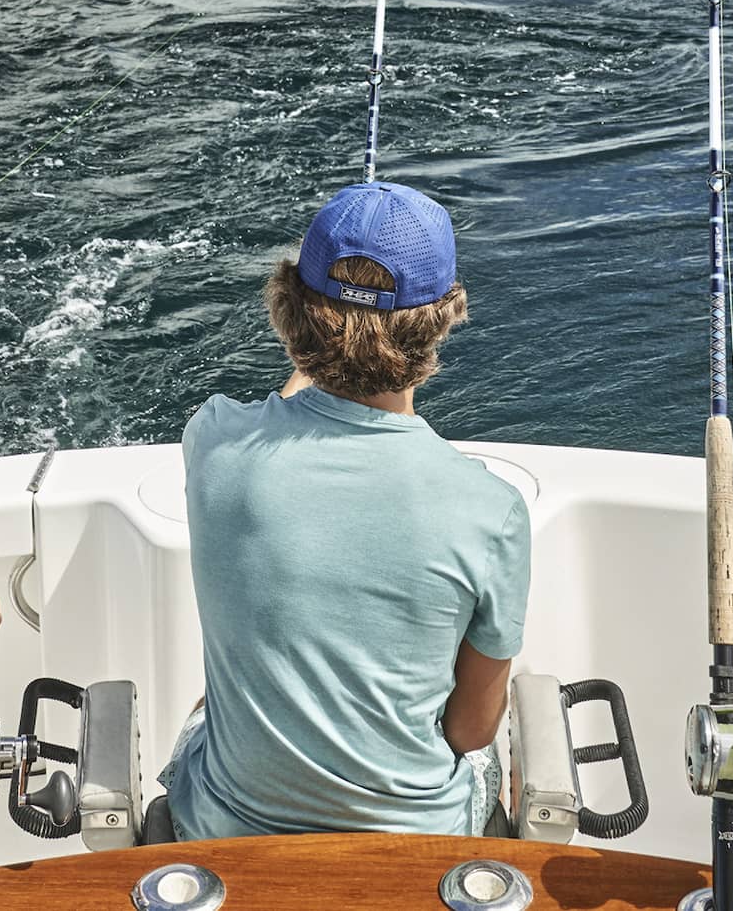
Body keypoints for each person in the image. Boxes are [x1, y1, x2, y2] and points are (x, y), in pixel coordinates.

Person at [163, 180, 531, 840]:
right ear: (445, 316)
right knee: (488, 756)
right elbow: (469, 732)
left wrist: (324, 350)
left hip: (224, 834)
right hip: (413, 843)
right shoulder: (491, 511)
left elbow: (290, 410)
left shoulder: (214, 439)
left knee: (205, 708)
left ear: (288, 308)